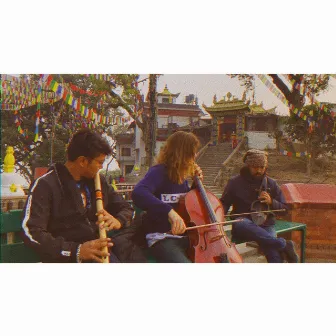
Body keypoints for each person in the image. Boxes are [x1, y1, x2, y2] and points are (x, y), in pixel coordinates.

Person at [21, 129, 134, 263]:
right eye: (99, 162)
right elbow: (32, 232)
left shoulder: (98, 182)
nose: (101, 167)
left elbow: (127, 209)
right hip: (65, 260)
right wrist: (77, 250)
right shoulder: (45, 185)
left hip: (100, 255)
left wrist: (119, 220)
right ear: (82, 161)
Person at [131, 131, 203, 263]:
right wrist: (170, 212)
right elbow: (139, 192)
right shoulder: (159, 172)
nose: (195, 156)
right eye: (193, 152)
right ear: (182, 153)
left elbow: (185, 204)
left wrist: (196, 184)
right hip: (162, 237)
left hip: (183, 236)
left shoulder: (183, 177)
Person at [220, 149, 299, 263]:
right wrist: (218, 216)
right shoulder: (234, 182)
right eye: (255, 167)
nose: (259, 170)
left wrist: (271, 202)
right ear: (248, 166)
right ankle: (284, 244)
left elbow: (285, 209)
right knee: (241, 222)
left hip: (265, 224)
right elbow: (224, 203)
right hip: (243, 224)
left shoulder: (271, 184)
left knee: (273, 252)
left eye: (262, 167)